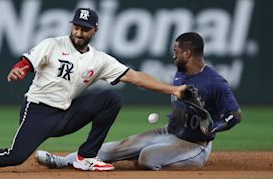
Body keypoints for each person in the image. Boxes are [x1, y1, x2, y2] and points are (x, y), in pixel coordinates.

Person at [0, 8, 187, 172]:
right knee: (16, 155)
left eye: (84, 28)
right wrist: (20, 68)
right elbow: (27, 61)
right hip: (38, 112)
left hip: (66, 114)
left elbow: (135, 77)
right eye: (76, 26)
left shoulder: (99, 60)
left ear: (95, 31)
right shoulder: (53, 45)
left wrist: (172, 90)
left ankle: (85, 157)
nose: (78, 32)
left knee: (111, 97)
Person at [35, 32, 242, 171]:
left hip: (194, 145)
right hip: (169, 132)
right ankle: (62, 161)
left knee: (147, 158)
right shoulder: (182, 74)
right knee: (113, 148)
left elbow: (235, 115)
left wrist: (214, 128)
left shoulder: (215, 82)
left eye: (176, 52)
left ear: (187, 53)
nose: (173, 55)